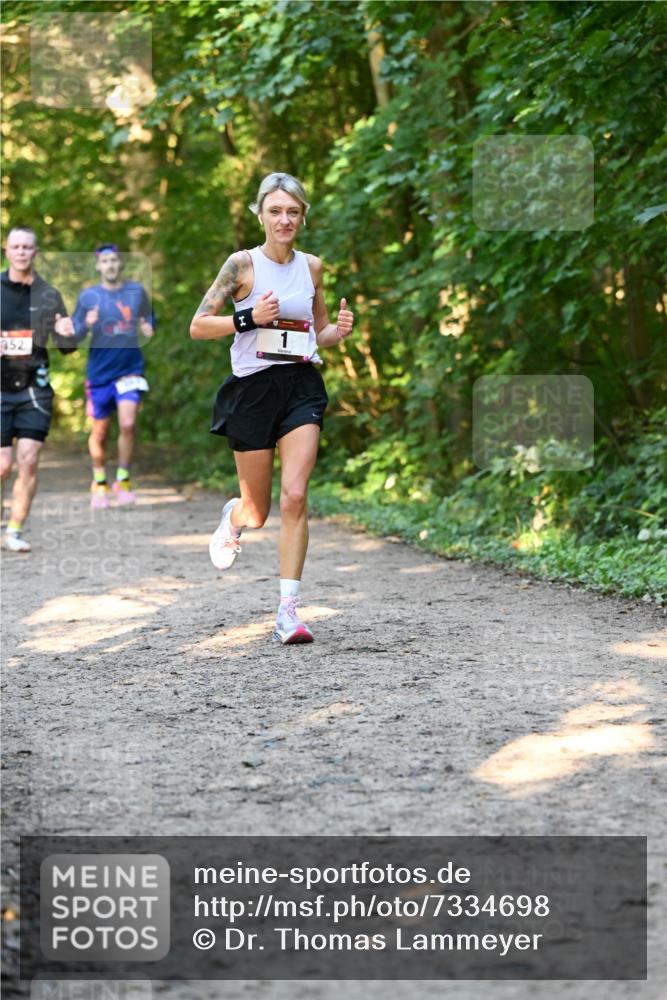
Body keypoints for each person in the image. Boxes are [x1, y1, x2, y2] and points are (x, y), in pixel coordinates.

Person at [190, 172, 354, 645]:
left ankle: (288, 611)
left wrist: (337, 333)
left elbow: (316, 333)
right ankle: (234, 518)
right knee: (258, 511)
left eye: (293, 211)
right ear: (259, 214)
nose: (285, 219)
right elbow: (198, 326)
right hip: (253, 391)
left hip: (301, 385)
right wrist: (246, 317)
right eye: (276, 211)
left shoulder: (313, 267)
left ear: (303, 216)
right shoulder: (241, 266)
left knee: (296, 496)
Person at [1, 225, 76, 552]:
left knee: (28, 460)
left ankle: (14, 531)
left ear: (36, 252)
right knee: (3, 465)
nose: (21, 252)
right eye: (15, 246)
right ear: (6, 251)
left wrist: (67, 332)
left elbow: (67, 348)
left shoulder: (48, 294)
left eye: (27, 247)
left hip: (35, 389)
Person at [72, 245, 154, 508]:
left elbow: (148, 321)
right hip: (99, 374)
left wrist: (147, 326)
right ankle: (99, 481)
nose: (110, 265)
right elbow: (73, 335)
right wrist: (86, 323)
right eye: (105, 261)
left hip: (130, 369)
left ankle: (123, 479)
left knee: (128, 424)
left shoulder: (136, 292)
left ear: (120, 264)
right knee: (100, 432)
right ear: (98, 266)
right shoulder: (88, 297)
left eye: (114, 260)